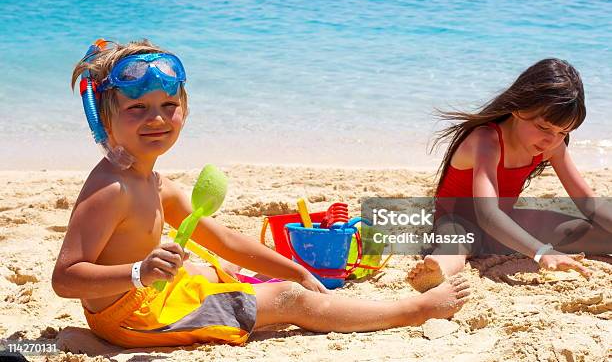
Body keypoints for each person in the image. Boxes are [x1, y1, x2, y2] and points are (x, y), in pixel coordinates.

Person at [52, 39, 470, 348]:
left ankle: (96, 340)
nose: (157, 119)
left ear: (186, 109)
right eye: (137, 108)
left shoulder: (154, 183)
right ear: (105, 122)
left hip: (140, 301)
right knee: (292, 302)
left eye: (168, 106)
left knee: (214, 268)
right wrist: (138, 272)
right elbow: (65, 278)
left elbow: (224, 239)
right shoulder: (111, 188)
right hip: (138, 316)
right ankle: (416, 310)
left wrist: (295, 268)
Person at [407, 58, 612, 293]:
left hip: (507, 226)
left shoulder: (552, 145)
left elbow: (588, 202)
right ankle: (435, 272)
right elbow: (487, 214)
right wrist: (541, 252)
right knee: (456, 246)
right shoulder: (486, 140)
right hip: (459, 222)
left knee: (595, 233)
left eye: (563, 132)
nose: (552, 139)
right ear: (517, 108)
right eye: (544, 128)